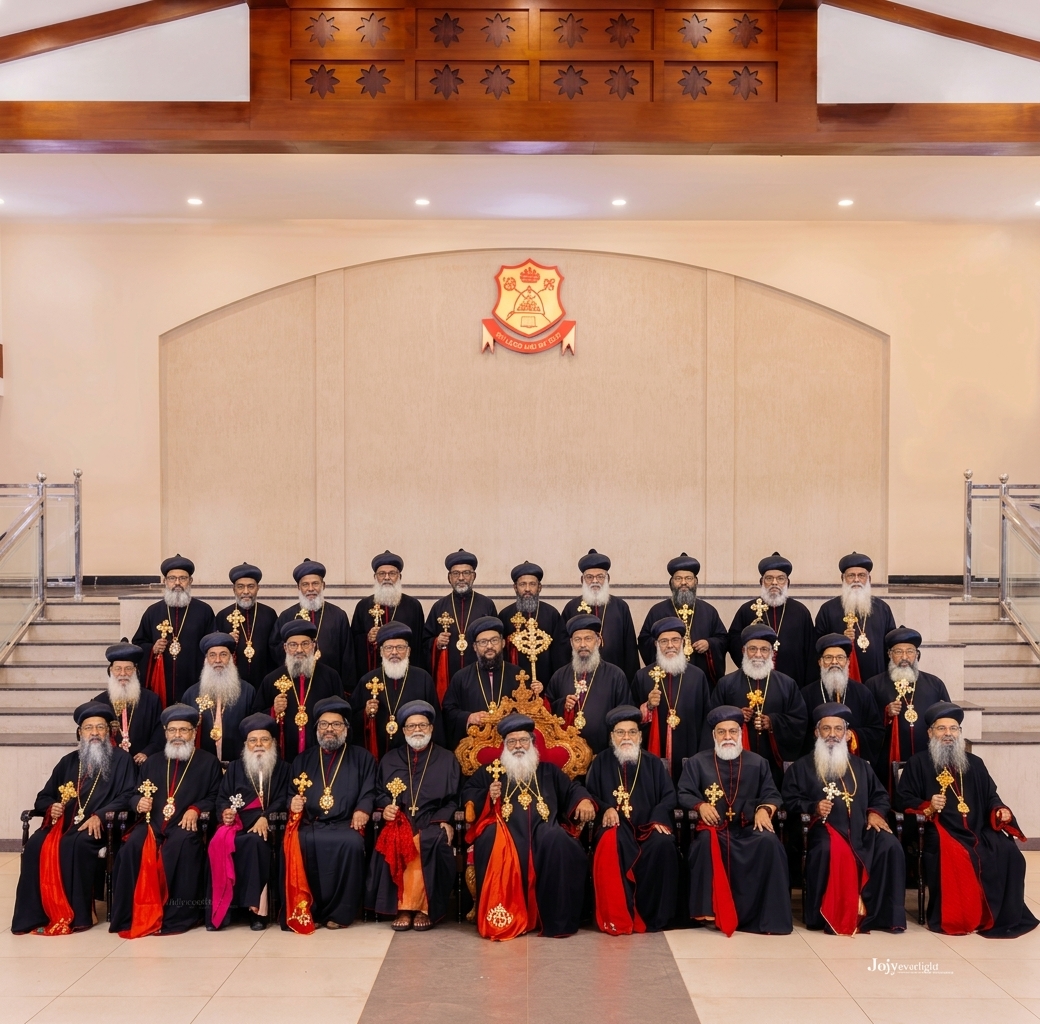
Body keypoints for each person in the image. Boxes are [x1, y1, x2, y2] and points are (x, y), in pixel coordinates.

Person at [897, 701, 1038, 938]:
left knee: (1010, 854)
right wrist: (928, 806)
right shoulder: (918, 763)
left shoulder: (975, 764)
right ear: (930, 733)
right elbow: (903, 800)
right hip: (941, 829)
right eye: (941, 729)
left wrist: (1000, 810)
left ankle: (1002, 915)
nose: (948, 734)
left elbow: (991, 796)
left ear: (960, 734)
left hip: (977, 829)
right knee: (960, 855)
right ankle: (963, 916)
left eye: (953, 729)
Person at [463, 713, 596, 939]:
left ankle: (556, 918)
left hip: (544, 829)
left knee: (559, 842)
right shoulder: (492, 771)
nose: (518, 746)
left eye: (523, 740)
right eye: (512, 742)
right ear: (504, 746)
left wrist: (583, 800)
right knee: (491, 839)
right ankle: (506, 917)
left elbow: (572, 789)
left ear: (533, 743)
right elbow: (468, 794)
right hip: (505, 831)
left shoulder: (548, 771)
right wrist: (487, 795)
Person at [782, 703, 906, 935]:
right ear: (816, 733)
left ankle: (883, 915)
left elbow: (880, 796)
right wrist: (814, 807)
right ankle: (825, 916)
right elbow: (789, 801)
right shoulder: (801, 768)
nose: (832, 734)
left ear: (847, 734)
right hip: (822, 830)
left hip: (861, 830)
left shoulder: (861, 767)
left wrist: (874, 812)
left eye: (838, 729)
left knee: (890, 845)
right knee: (831, 849)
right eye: (826, 729)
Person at [12, 703, 136, 934]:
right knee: (34, 846)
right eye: (89, 728)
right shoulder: (68, 761)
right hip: (65, 824)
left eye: (100, 727)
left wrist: (99, 815)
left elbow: (129, 795)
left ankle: (78, 915)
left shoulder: (121, 760)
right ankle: (37, 915)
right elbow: (44, 796)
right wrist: (52, 806)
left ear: (109, 731)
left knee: (74, 844)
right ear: (80, 733)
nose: (95, 732)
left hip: (102, 827)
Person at [110, 704, 223, 936]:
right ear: (165, 733)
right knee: (132, 846)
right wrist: (138, 802)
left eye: (184, 730)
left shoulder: (208, 762)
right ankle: (129, 914)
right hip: (152, 823)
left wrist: (196, 808)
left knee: (180, 847)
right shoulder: (152, 762)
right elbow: (133, 793)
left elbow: (215, 796)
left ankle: (176, 916)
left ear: (194, 732)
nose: (178, 735)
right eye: (172, 730)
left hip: (184, 824)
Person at [679, 705, 791, 935]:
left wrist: (764, 809)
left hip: (747, 829)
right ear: (714, 735)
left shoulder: (758, 762)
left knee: (769, 843)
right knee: (702, 844)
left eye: (732, 731)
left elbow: (772, 794)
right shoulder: (697, 762)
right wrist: (700, 806)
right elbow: (684, 792)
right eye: (722, 732)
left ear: (740, 734)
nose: (727, 737)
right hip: (715, 829)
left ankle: (764, 915)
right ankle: (708, 911)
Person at [366, 700, 461, 930]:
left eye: (422, 725)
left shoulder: (447, 759)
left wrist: (444, 821)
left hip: (432, 818)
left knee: (429, 841)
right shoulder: (390, 760)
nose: (417, 729)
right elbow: (378, 792)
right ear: (403, 730)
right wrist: (386, 806)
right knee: (397, 838)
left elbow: (455, 798)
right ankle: (402, 907)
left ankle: (422, 908)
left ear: (431, 728)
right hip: (400, 818)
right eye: (411, 726)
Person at [586, 706, 678, 934]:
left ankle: (655, 916)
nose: (626, 737)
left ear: (640, 735)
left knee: (664, 844)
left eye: (632, 732)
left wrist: (658, 819)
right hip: (615, 827)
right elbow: (589, 795)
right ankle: (620, 913)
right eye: (620, 732)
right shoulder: (600, 763)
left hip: (646, 828)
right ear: (611, 736)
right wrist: (606, 808)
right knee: (613, 840)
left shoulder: (653, 763)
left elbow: (669, 796)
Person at [285, 696, 376, 929]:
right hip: (311, 824)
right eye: (324, 725)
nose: (329, 730)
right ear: (316, 729)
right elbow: (291, 792)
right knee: (301, 842)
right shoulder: (303, 759)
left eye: (336, 724)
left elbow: (369, 789)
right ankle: (309, 910)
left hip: (346, 823)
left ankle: (340, 914)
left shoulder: (362, 757)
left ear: (346, 728)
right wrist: (293, 803)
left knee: (352, 844)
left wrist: (363, 809)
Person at [208, 713, 290, 931]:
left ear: (273, 742)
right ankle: (226, 910)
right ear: (246, 744)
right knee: (219, 843)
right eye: (253, 740)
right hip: (238, 825)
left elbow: (284, 799)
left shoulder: (282, 768)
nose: (259, 745)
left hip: (270, 827)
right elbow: (222, 796)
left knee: (254, 842)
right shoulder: (235, 768)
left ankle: (256, 912)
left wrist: (265, 817)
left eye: (264, 740)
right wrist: (225, 812)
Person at [705, 624, 807, 790]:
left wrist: (773, 722)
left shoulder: (787, 684)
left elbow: (799, 720)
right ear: (744, 651)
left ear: (771, 653)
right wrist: (734, 716)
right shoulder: (726, 683)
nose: (758, 654)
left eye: (764, 649)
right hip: (734, 761)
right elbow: (711, 718)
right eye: (753, 649)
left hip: (773, 761)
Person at [864, 626, 951, 793]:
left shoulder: (935, 684)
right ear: (889, 654)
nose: (905, 657)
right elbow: (866, 723)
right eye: (898, 652)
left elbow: (947, 719)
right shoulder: (874, 684)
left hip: (926, 754)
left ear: (917, 655)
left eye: (910, 651)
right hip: (887, 757)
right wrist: (886, 714)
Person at [630, 617, 710, 781]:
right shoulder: (643, 676)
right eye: (664, 641)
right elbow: (631, 717)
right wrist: (648, 707)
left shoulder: (697, 676)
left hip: (690, 746)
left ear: (683, 642)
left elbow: (705, 717)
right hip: (653, 747)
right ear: (656, 645)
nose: (670, 645)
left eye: (675, 640)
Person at [254, 620, 345, 758]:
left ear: (313, 646)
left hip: (320, 754)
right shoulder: (271, 679)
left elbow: (342, 715)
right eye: (293, 645)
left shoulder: (330, 676)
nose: (299, 650)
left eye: (305, 644)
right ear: (285, 648)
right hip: (283, 755)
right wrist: (273, 711)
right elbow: (255, 717)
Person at [132, 554, 215, 706]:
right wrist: (153, 648)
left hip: (194, 679)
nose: (177, 583)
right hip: (162, 681)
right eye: (172, 578)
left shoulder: (204, 611)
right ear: (165, 581)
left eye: (182, 578)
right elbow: (138, 643)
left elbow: (213, 645)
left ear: (190, 581)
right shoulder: (153, 612)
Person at [351, 622, 442, 760]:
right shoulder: (368, 680)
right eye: (388, 648)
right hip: (378, 753)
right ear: (381, 651)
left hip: (415, 753)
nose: (394, 652)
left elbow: (436, 721)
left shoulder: (423, 678)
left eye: (400, 647)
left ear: (408, 651)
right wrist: (366, 713)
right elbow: (351, 720)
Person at [545, 614, 633, 755]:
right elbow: (547, 713)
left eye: (588, 639)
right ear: (571, 643)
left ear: (598, 641)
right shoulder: (559, 676)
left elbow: (625, 714)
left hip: (605, 753)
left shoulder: (615, 675)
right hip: (569, 755)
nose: (583, 644)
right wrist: (562, 705)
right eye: (577, 639)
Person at [637, 554, 728, 686]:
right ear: (671, 582)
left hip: (700, 677)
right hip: (666, 675)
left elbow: (723, 639)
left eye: (688, 578)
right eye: (678, 578)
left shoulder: (708, 611)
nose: (683, 582)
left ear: (696, 582)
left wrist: (709, 644)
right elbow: (644, 640)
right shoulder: (657, 611)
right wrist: (664, 645)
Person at [727, 553, 815, 685]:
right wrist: (750, 663)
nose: (774, 583)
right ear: (761, 582)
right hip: (755, 676)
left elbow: (810, 650)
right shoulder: (748, 609)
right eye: (769, 578)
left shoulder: (800, 611)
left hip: (794, 679)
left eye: (780, 578)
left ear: (787, 583)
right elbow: (733, 641)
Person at [422, 549, 498, 700]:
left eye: (466, 573)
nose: (461, 578)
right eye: (456, 573)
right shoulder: (439, 606)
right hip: (449, 674)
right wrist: (437, 642)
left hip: (479, 672)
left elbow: (497, 641)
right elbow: (424, 641)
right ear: (449, 577)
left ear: (473, 576)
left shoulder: (486, 605)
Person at [442, 616, 527, 749]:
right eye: (483, 642)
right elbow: (448, 710)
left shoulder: (518, 674)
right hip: (474, 746)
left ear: (503, 643)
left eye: (494, 640)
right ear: (475, 647)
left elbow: (528, 709)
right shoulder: (461, 677)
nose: (489, 646)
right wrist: (469, 717)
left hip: (510, 744)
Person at [271, 559, 354, 694]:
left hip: (329, 683)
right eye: (305, 584)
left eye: (315, 583)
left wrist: (347, 687)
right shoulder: (287, 616)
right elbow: (275, 648)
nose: (310, 588)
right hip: (295, 682)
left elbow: (347, 654)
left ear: (323, 585)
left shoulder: (338, 615)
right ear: (299, 587)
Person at [800, 634, 883, 766]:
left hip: (853, 764)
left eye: (840, 657)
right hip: (817, 762)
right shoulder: (806, 693)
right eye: (828, 658)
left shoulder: (862, 692)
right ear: (820, 662)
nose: (834, 662)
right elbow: (799, 732)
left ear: (847, 662)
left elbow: (876, 731)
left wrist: (853, 734)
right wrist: (821, 734)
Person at [814, 552, 896, 682]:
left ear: (869, 579)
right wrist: (840, 639)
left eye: (861, 575)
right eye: (851, 575)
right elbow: (817, 645)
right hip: (840, 678)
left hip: (877, 678)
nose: (856, 580)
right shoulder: (828, 609)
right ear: (843, 578)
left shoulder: (882, 608)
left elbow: (891, 645)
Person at [561, 550, 639, 681]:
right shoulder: (572, 607)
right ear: (582, 580)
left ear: (608, 579)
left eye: (600, 576)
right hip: (579, 676)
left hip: (614, 677)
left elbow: (630, 648)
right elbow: (562, 648)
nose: (595, 581)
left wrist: (630, 681)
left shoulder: (620, 607)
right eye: (589, 577)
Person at [182, 632, 257, 763]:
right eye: (212, 655)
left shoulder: (248, 691)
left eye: (223, 654)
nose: (217, 660)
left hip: (238, 763)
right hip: (202, 765)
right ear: (206, 659)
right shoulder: (191, 694)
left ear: (231, 657)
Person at [352, 551, 428, 679]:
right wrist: (367, 639)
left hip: (405, 673)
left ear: (399, 577)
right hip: (372, 673)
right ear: (375, 577)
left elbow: (419, 644)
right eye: (382, 574)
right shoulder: (363, 606)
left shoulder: (413, 606)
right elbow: (353, 644)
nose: (387, 577)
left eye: (392, 573)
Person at [498, 561, 567, 685]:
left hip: (545, 682)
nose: (527, 589)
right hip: (512, 683)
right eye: (522, 584)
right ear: (515, 587)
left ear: (539, 587)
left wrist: (554, 684)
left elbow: (559, 654)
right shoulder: (505, 615)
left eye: (532, 584)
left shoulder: (551, 614)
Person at [94, 639, 163, 763]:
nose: (123, 673)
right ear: (111, 671)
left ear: (136, 671)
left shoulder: (151, 700)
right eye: (118, 669)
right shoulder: (99, 702)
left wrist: (147, 752)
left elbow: (159, 733)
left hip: (142, 763)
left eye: (128, 669)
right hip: (112, 764)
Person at [214, 563, 278, 689]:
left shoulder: (269, 614)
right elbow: (214, 649)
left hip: (264, 676)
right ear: (234, 589)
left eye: (251, 587)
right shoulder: (223, 615)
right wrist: (227, 641)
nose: (246, 592)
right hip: (233, 680)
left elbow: (276, 648)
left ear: (258, 588)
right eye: (240, 587)